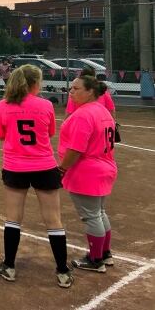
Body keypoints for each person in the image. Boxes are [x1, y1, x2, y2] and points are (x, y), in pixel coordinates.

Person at [0, 65, 72, 288]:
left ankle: (9, 266)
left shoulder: (3, 105)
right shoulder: (46, 105)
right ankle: (63, 271)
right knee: (53, 219)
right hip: (44, 166)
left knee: (13, 218)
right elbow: (49, 133)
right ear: (35, 83)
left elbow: (1, 135)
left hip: (15, 166)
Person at [58, 75, 118, 273]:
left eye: (76, 88)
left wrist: (61, 170)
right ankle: (105, 254)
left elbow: (76, 149)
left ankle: (95, 259)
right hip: (104, 167)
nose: (71, 92)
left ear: (90, 91)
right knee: (99, 213)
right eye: (71, 88)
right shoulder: (101, 110)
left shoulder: (84, 114)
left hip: (87, 171)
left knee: (91, 216)